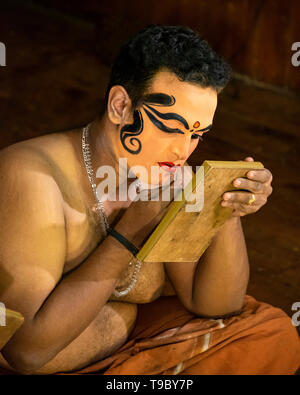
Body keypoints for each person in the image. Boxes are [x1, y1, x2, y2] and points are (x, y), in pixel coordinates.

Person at [0, 25, 299, 375]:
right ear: (121, 106)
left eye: (197, 134)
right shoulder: (32, 177)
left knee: (271, 333)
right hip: (38, 357)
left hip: (115, 345)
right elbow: (26, 352)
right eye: (172, 127)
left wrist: (224, 209)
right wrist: (131, 233)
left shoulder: (164, 175)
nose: (182, 151)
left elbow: (216, 304)